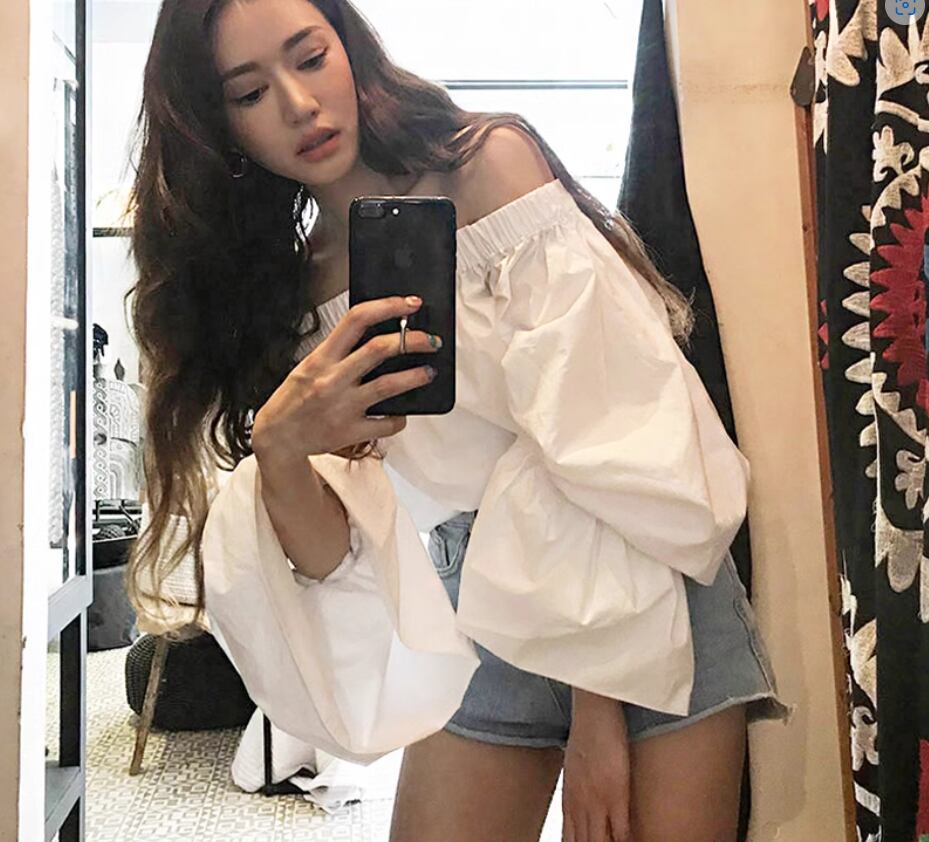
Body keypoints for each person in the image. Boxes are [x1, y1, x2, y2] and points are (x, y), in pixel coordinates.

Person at [126, 1, 791, 840]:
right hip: (478, 608)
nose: (299, 104)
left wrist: (597, 712)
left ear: (350, 48)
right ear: (219, 127)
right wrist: (282, 448)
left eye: (310, 57)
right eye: (250, 92)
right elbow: (339, 555)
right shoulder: (296, 296)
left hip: (641, 592)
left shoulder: (487, 168)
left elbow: (612, 440)